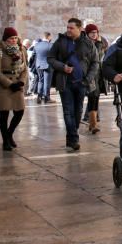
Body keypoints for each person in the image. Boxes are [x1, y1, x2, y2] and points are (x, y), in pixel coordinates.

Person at [48, 18, 99, 152]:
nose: (68, 30)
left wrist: (88, 79)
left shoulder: (88, 43)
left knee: (78, 112)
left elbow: (95, 62)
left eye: (71, 28)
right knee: (67, 111)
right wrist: (62, 67)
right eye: (68, 27)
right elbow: (50, 58)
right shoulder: (61, 41)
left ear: (80, 29)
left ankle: (71, 136)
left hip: (82, 83)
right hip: (65, 83)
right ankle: (73, 138)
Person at [0, 27, 29, 152]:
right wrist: (9, 84)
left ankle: (9, 133)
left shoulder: (21, 49)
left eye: (15, 38)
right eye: (11, 38)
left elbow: (25, 68)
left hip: (17, 84)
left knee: (19, 111)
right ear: (6, 39)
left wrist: (22, 81)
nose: (13, 40)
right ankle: (5, 141)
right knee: (4, 114)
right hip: (4, 86)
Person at [83, 23, 108, 134]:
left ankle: (92, 123)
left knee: (95, 98)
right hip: (88, 75)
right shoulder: (84, 45)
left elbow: (102, 57)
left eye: (96, 32)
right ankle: (92, 123)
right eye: (92, 33)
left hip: (98, 75)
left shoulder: (100, 43)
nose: (94, 34)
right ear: (87, 34)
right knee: (92, 98)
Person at [32, 32, 54, 104]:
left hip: (38, 65)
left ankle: (39, 97)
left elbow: (34, 55)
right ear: (49, 37)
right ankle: (47, 98)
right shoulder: (51, 45)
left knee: (40, 81)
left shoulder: (37, 45)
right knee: (47, 82)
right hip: (48, 65)